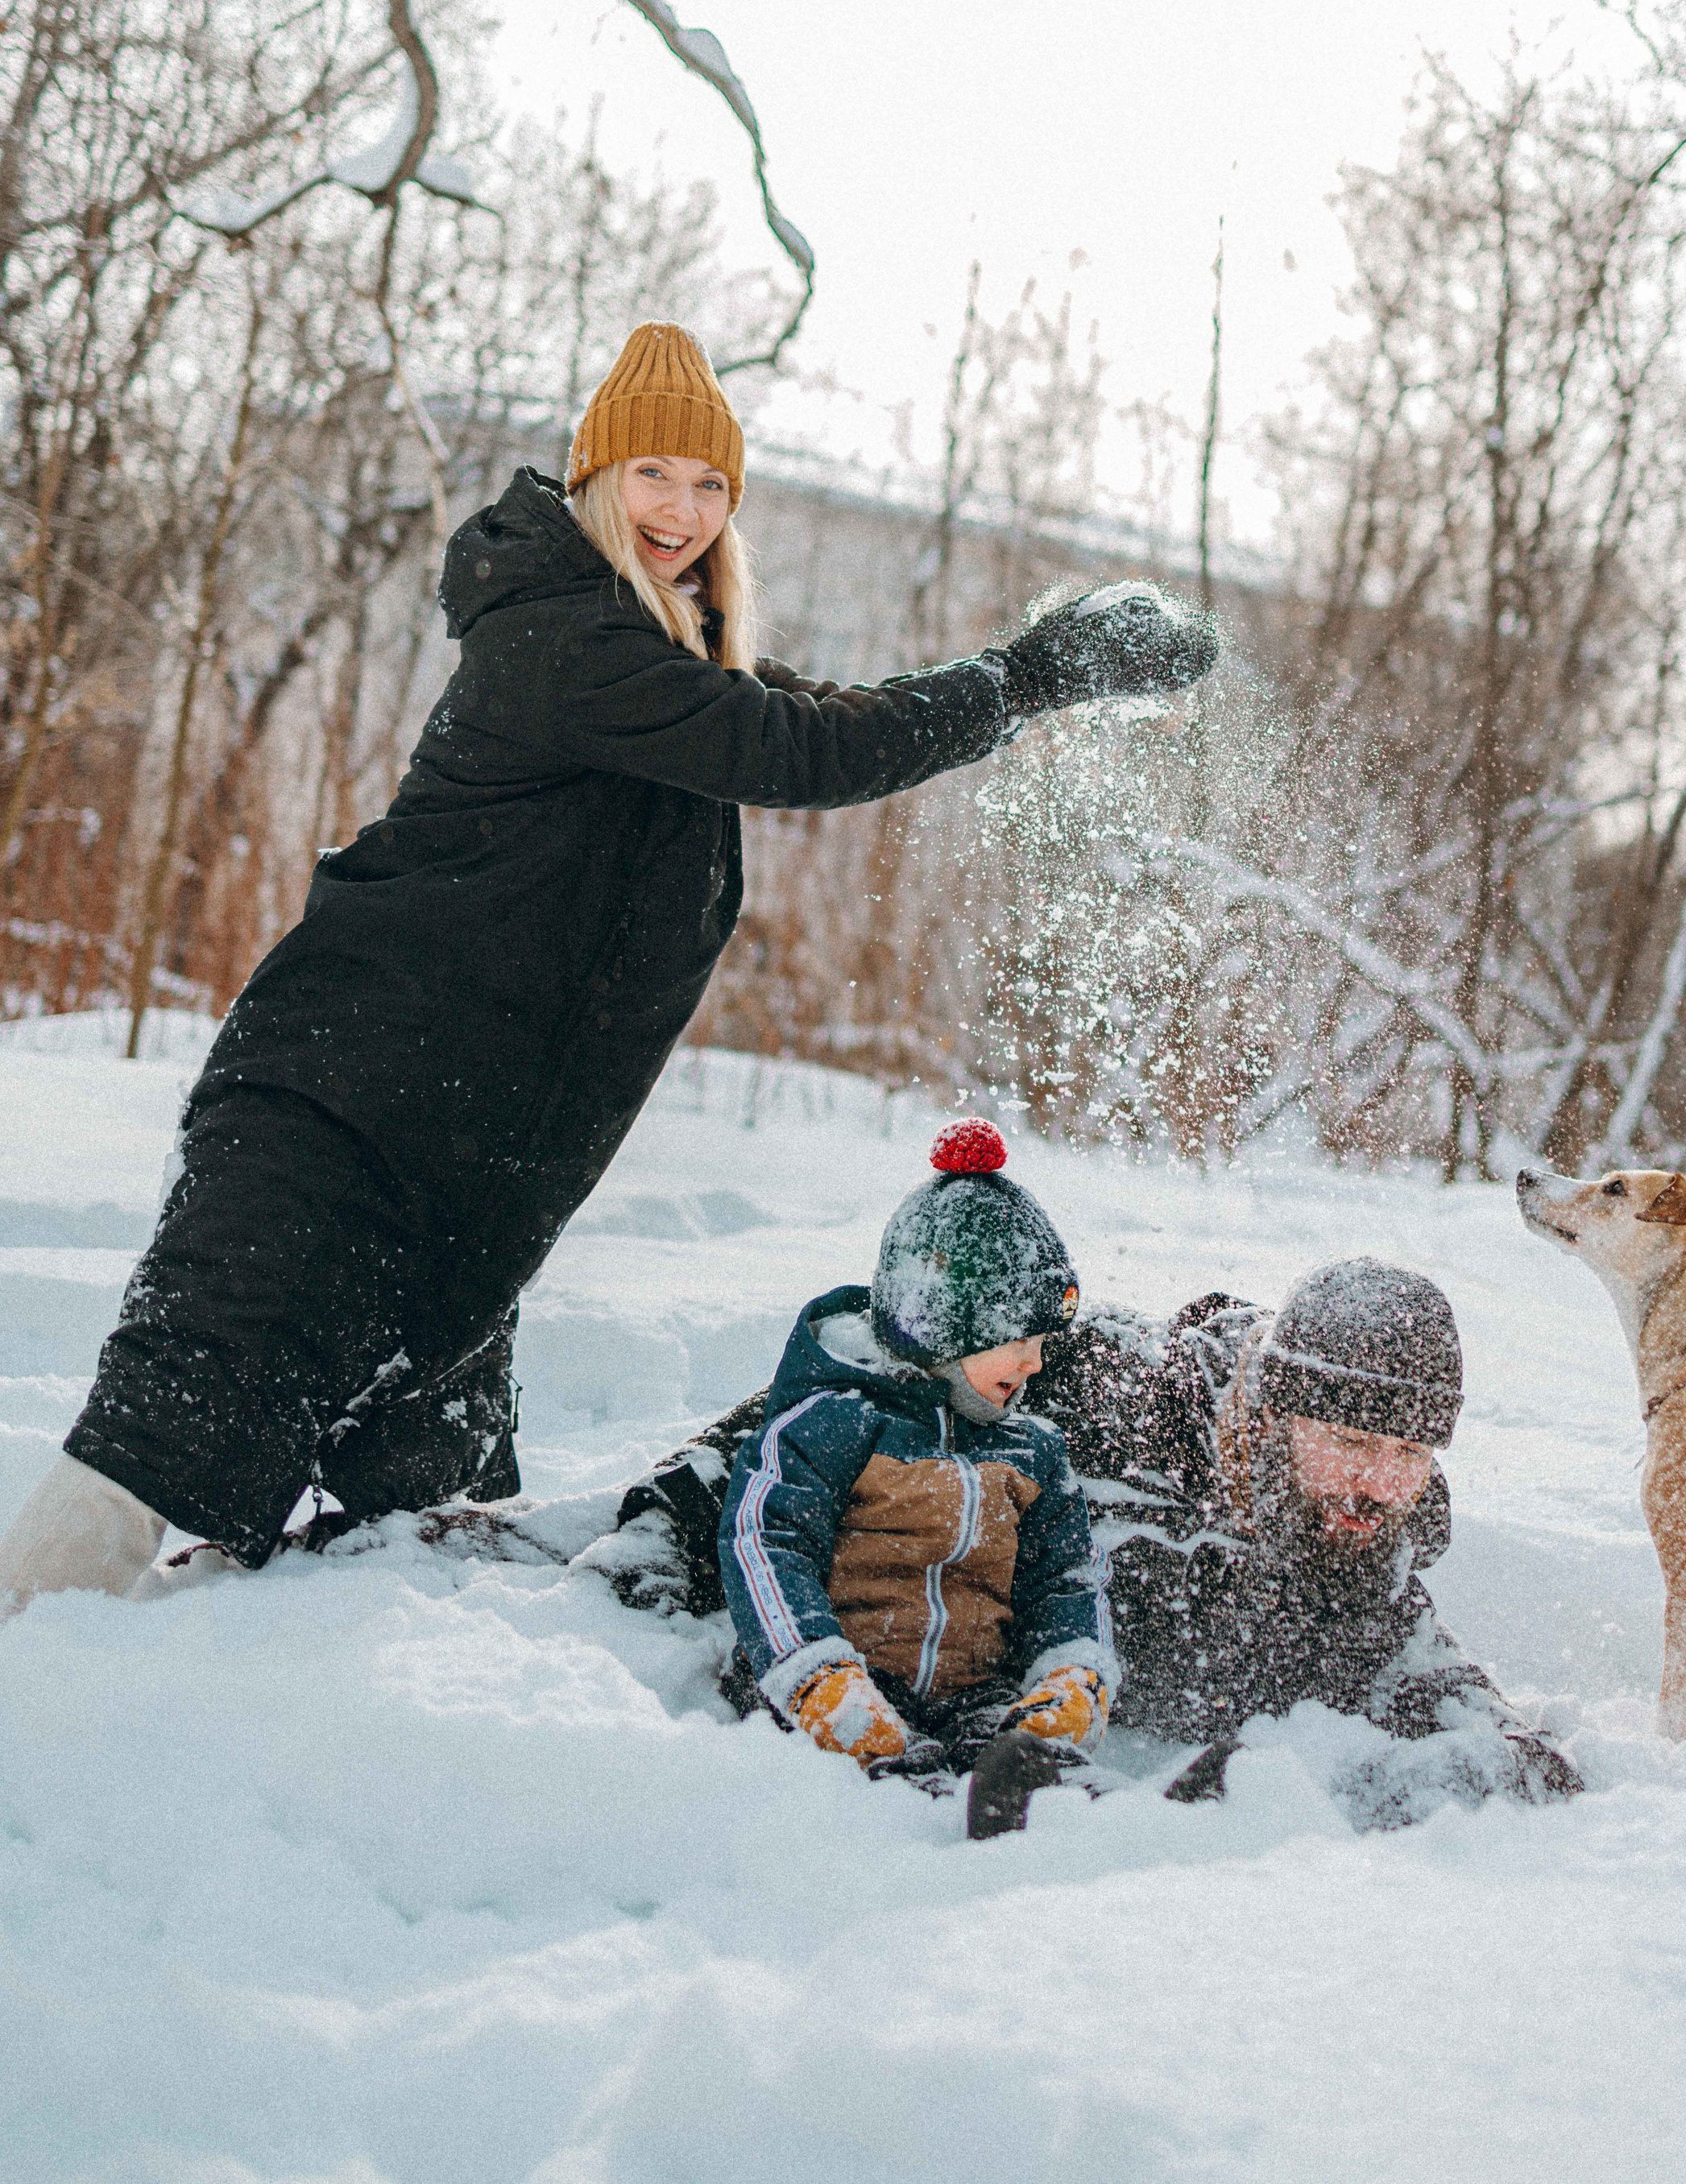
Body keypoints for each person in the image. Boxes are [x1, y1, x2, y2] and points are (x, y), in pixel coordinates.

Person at [0, 326, 1216, 1613]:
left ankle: (248, 1734)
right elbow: (797, 750)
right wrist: (1028, 674)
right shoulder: (560, 637)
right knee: (175, 1417)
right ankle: (35, 1682)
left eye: (709, 487)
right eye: (653, 476)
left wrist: (1036, 687)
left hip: (464, 1154)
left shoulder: (671, 655)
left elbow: (838, 721)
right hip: (338, 1100)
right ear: (594, 482)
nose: (681, 512)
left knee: (400, 1514)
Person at [1020, 1260, 1582, 1821]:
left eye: (1411, 1452)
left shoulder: (1368, 1522)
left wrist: (1504, 1744)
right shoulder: (1123, 1430)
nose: (1382, 1486)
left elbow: (1416, 1672)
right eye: (1353, 1442)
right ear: (1272, 1417)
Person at [715, 1120, 1120, 1834]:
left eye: (1043, 1344)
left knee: (1032, 1760)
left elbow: (1065, 1580)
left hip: (973, 1693)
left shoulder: (1031, 1451)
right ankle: (929, 1829)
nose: (1034, 1364)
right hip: (841, 1686)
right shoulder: (835, 1421)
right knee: (888, 1781)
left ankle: (1117, 1827)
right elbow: (763, 1540)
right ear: (945, 1325)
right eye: (1018, 1341)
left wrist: (1069, 1672)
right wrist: (816, 1676)